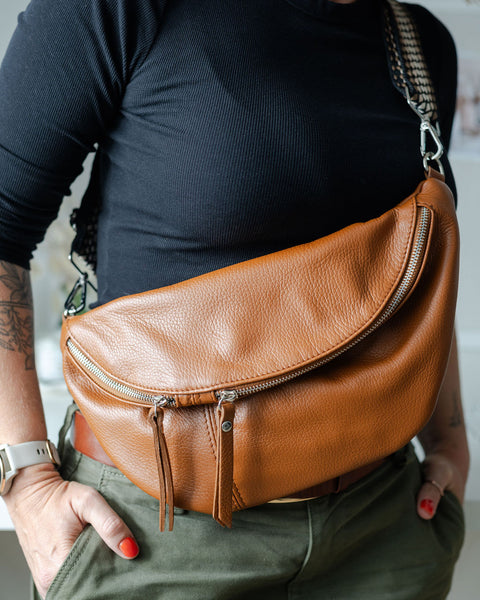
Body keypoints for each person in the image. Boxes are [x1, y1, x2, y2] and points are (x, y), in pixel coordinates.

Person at [0, 0, 469, 598]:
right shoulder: (117, 10)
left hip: (382, 533)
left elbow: (415, 265)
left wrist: (450, 439)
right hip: (160, 537)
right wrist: (28, 481)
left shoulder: (420, 46)